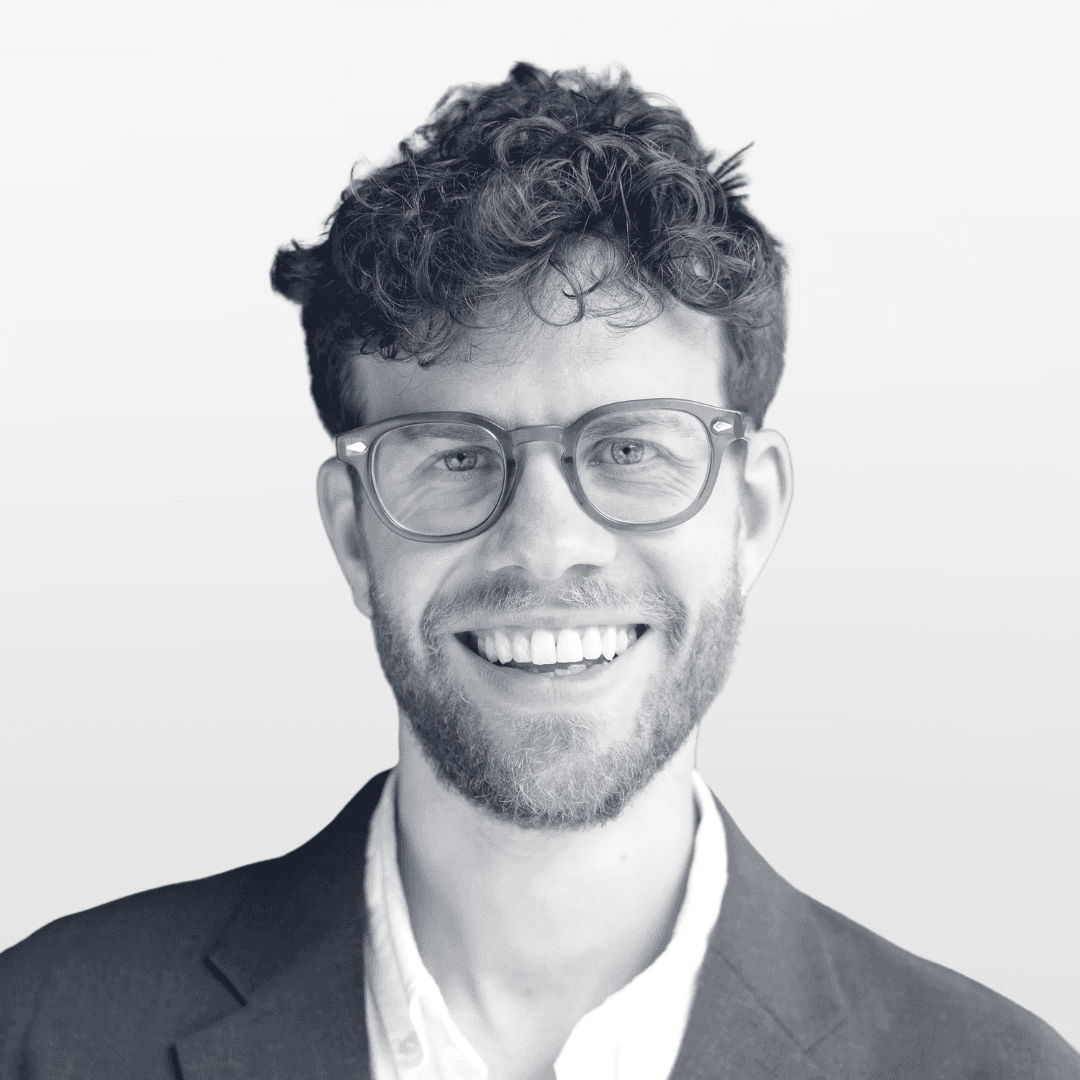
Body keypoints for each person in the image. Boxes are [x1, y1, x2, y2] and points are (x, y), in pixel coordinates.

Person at [0, 61, 1076, 1080]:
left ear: (750, 512)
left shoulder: (996, 1070)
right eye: (459, 458)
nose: (549, 543)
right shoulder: (41, 1035)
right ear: (351, 531)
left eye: (631, 449)